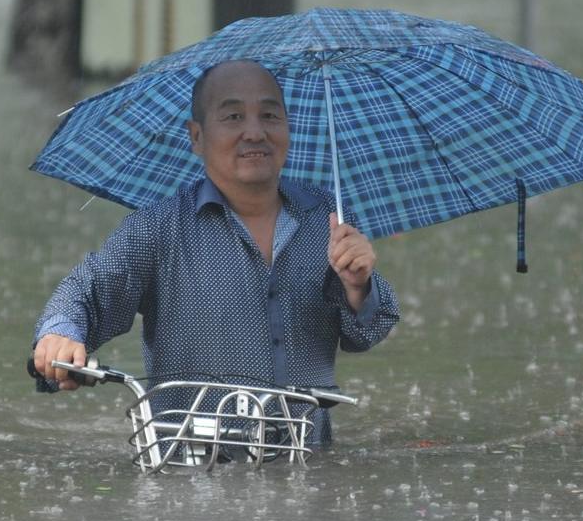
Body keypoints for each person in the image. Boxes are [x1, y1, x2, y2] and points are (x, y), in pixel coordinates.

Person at [30, 60, 399, 446]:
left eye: (270, 115)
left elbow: (368, 331)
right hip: (187, 461)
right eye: (234, 116)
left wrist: (359, 285)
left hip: (305, 457)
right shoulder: (158, 229)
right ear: (196, 137)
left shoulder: (327, 221)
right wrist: (60, 335)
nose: (255, 132)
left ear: (288, 128)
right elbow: (86, 291)